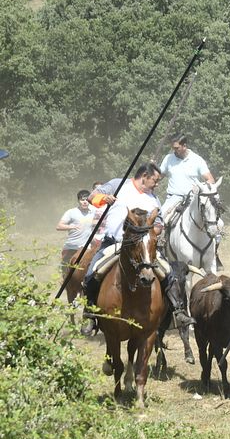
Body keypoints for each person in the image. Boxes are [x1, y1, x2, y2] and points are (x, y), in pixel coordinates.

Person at [80, 163, 194, 335]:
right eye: (155, 181)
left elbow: (159, 225)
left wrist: (148, 233)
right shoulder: (119, 184)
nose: (157, 185)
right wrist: (105, 199)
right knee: (91, 273)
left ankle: (177, 312)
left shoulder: (154, 199)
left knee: (169, 274)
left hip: (143, 248)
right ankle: (89, 315)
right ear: (144, 176)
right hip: (114, 243)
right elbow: (91, 198)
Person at [159, 133, 217, 220]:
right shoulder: (168, 158)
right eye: (173, 148)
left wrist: (199, 187)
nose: (174, 150)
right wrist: (150, 169)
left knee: (215, 221)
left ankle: (217, 233)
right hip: (173, 198)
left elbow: (211, 180)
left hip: (192, 199)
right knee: (159, 221)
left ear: (184, 146)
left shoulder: (197, 160)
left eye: (176, 148)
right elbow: (158, 177)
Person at [56, 189, 95, 274]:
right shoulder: (71, 212)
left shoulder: (93, 212)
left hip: (86, 248)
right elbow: (59, 226)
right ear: (78, 201)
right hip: (71, 247)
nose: (85, 202)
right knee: (65, 273)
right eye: (82, 200)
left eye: (87, 200)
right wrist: (71, 226)